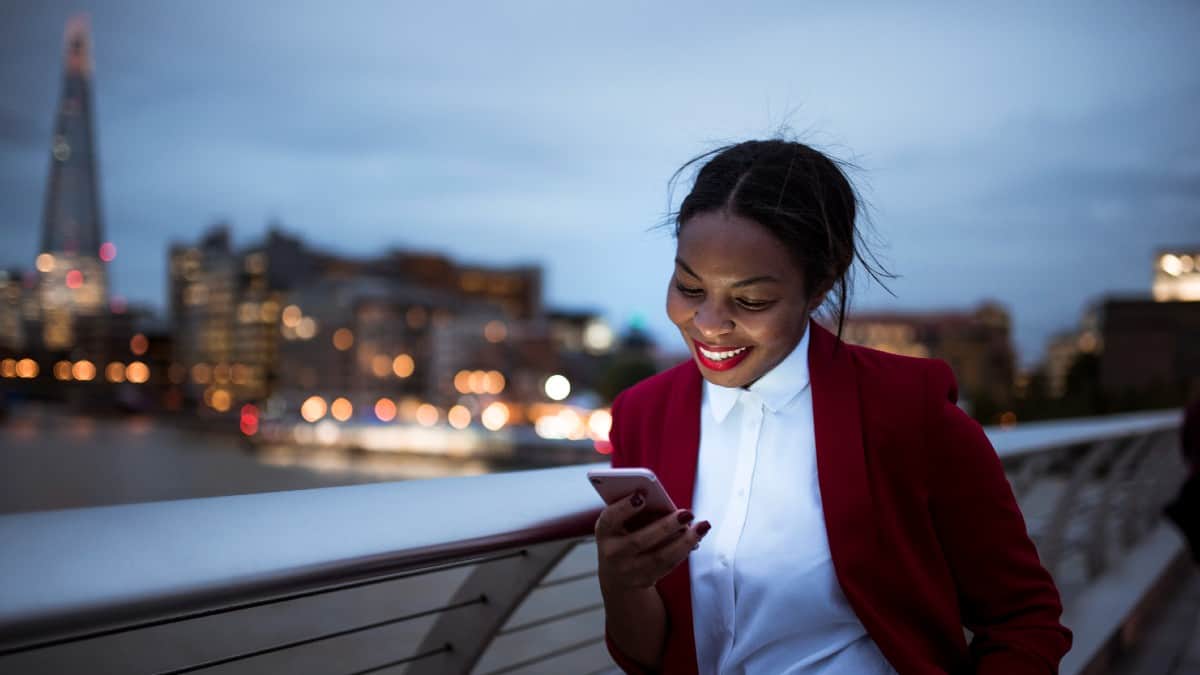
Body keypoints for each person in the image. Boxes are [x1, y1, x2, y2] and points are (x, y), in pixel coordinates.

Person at [594, 139, 1071, 674]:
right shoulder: (643, 414)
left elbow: (1024, 620)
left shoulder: (909, 411)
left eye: (751, 301)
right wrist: (621, 581)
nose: (708, 323)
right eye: (688, 286)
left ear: (822, 283)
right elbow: (650, 657)